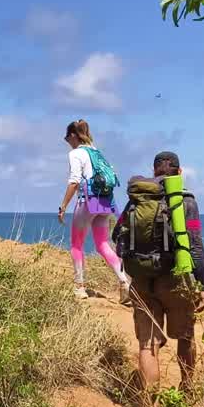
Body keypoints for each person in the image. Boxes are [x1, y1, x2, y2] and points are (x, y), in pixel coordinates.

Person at [120, 150, 204, 396]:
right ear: (179, 173)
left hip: (142, 279)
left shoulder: (137, 200)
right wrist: (203, 285)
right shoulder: (186, 201)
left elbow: (119, 235)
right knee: (186, 337)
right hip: (175, 280)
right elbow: (195, 243)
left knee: (147, 345)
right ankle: (188, 391)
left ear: (154, 171)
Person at [56, 119, 131, 303]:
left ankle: (79, 287)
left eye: (68, 139)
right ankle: (124, 283)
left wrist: (63, 206)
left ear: (73, 136)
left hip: (87, 202)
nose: (68, 143)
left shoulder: (76, 153)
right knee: (102, 244)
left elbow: (74, 181)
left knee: (76, 244)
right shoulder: (96, 152)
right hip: (106, 203)